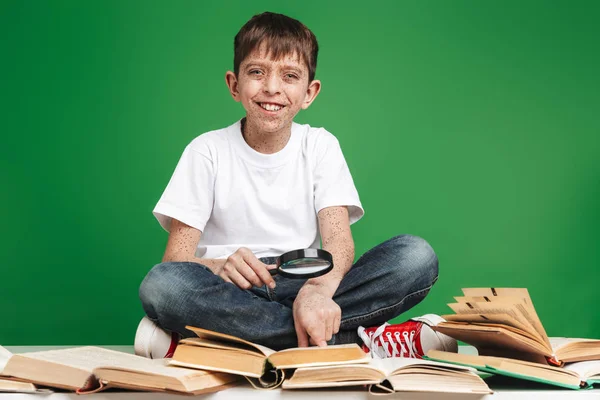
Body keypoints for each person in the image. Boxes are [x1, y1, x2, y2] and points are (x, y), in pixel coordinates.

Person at [135, 11, 454, 359]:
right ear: (234, 84)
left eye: (289, 76)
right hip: (234, 291)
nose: (272, 87)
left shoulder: (320, 146)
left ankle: (231, 341)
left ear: (309, 93)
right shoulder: (206, 150)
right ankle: (358, 342)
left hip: (309, 281)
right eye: (257, 72)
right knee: (163, 285)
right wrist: (220, 265)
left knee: (415, 256)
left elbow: (338, 245)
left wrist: (317, 291)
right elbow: (176, 260)